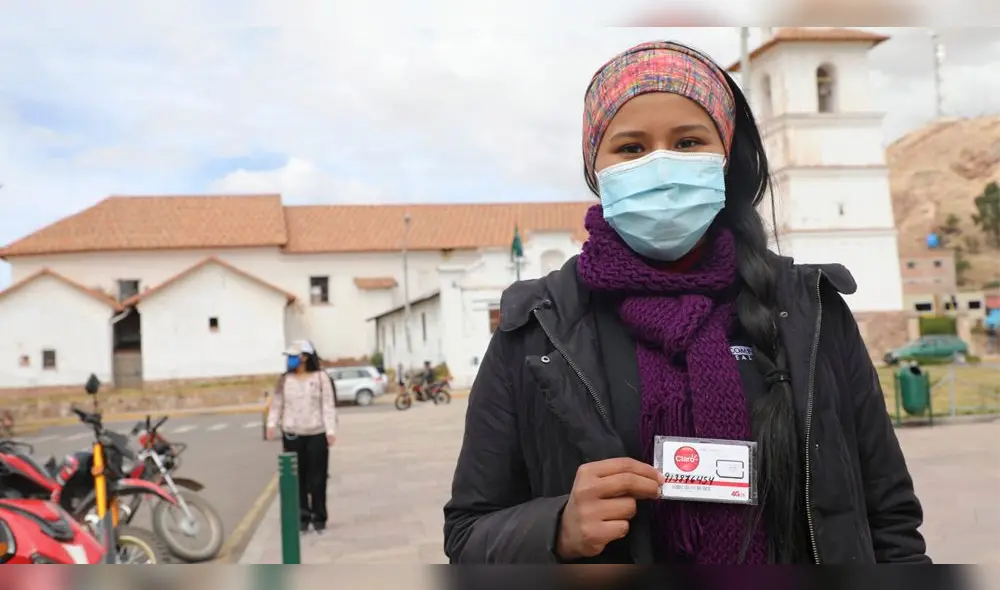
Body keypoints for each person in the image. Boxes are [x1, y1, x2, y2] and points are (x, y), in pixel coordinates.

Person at [443, 41, 929, 564]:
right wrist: (556, 529)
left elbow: (890, 519)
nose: (661, 165)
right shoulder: (539, 327)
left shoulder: (809, 311)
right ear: (595, 170)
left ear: (725, 159)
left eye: (688, 141)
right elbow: (468, 535)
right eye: (630, 148)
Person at [266, 340, 337, 533]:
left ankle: (319, 517)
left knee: (318, 477)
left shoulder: (321, 378)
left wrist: (330, 430)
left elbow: (328, 405)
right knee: (297, 478)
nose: (290, 360)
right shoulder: (284, 380)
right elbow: (277, 403)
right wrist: (271, 424)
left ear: (305, 357)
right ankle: (302, 517)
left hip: (316, 433)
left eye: (293, 356)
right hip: (292, 433)